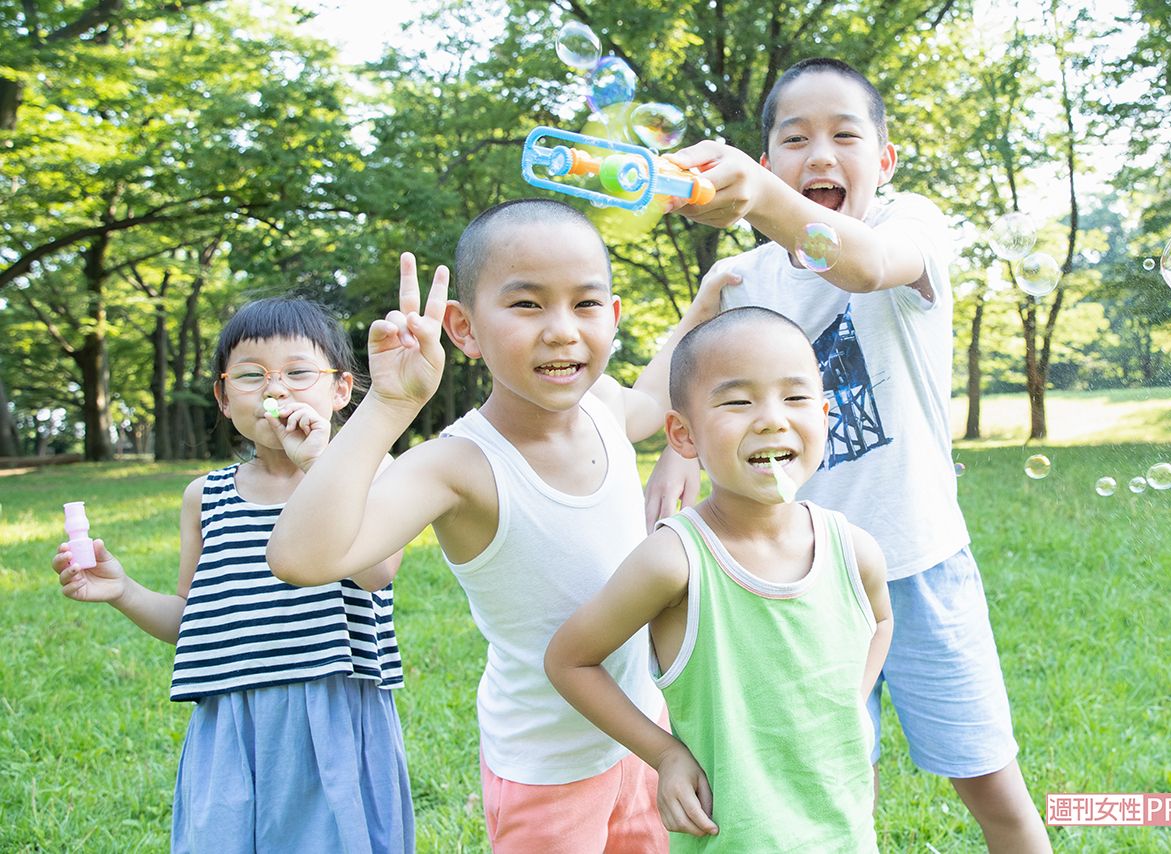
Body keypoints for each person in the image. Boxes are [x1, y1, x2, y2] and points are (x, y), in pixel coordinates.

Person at [646, 58, 1053, 852]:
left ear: (885, 160)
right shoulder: (744, 281)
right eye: (794, 139)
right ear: (766, 163)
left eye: (844, 135)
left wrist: (762, 201)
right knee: (832, 789)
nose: (820, 155)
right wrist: (674, 455)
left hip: (921, 561)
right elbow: (681, 390)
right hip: (796, 584)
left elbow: (863, 266)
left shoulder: (910, 231)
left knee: (991, 781)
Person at [267, 199, 736, 853]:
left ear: (614, 316)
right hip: (545, 775)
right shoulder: (461, 465)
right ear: (464, 329)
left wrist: (699, 314)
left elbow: (654, 400)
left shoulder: (601, 405)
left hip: (640, 736)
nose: (562, 330)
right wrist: (389, 403)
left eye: (586, 304)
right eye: (526, 304)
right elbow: (301, 557)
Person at [51, 297, 413, 853]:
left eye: (299, 372)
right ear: (224, 397)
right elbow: (193, 620)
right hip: (231, 721)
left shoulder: (370, 470)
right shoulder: (206, 497)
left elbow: (376, 574)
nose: (278, 388)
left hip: (335, 712)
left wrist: (322, 465)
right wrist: (122, 591)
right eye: (251, 375)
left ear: (340, 389)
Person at [545, 307, 894, 852]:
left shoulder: (854, 550)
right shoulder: (675, 561)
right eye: (738, 401)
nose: (773, 418)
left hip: (844, 833)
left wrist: (853, 696)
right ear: (683, 435)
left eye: (796, 397)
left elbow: (881, 621)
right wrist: (663, 753)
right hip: (731, 837)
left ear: (826, 415)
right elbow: (569, 659)